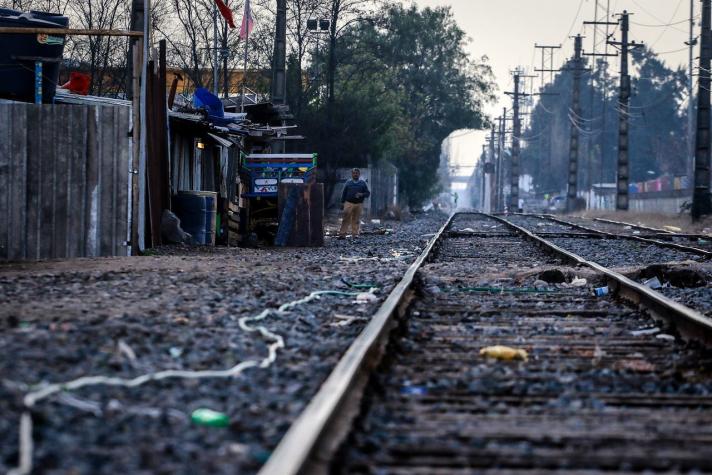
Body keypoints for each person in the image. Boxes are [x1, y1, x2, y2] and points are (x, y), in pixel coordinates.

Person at [339, 168, 370, 239]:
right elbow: (344, 193)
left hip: (359, 204)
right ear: (352, 174)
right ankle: (342, 234)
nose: (355, 174)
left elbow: (367, 194)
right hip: (348, 203)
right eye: (354, 173)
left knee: (356, 219)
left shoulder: (362, 183)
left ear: (359, 174)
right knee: (346, 218)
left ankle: (355, 234)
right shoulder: (348, 183)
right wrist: (342, 202)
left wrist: (361, 194)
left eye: (356, 173)